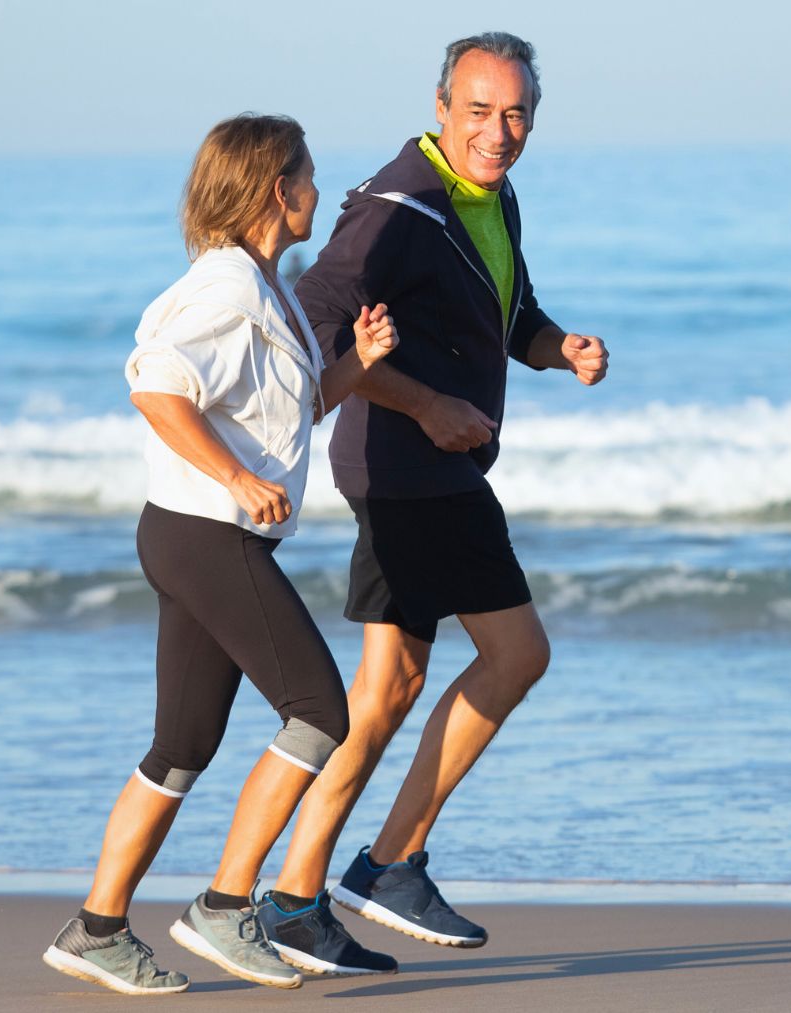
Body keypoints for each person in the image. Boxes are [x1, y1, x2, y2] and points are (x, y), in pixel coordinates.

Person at [253, 32, 610, 974]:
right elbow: (318, 313)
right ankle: (392, 860)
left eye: (517, 113)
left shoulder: (487, 198)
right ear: (442, 107)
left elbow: (510, 315)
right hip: (412, 471)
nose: (501, 131)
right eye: (481, 111)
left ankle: (294, 897)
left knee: (386, 691)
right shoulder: (397, 204)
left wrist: (557, 345)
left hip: (420, 471)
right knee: (518, 652)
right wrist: (424, 401)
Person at [40, 113, 399, 996]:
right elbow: (154, 386)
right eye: (311, 177)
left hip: (188, 533)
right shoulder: (226, 292)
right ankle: (225, 903)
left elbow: (294, 412)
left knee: (182, 744)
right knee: (320, 709)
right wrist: (237, 479)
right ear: (279, 188)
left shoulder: (266, 289)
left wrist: (356, 363)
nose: (319, 191)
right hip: (208, 533)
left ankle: (96, 929)